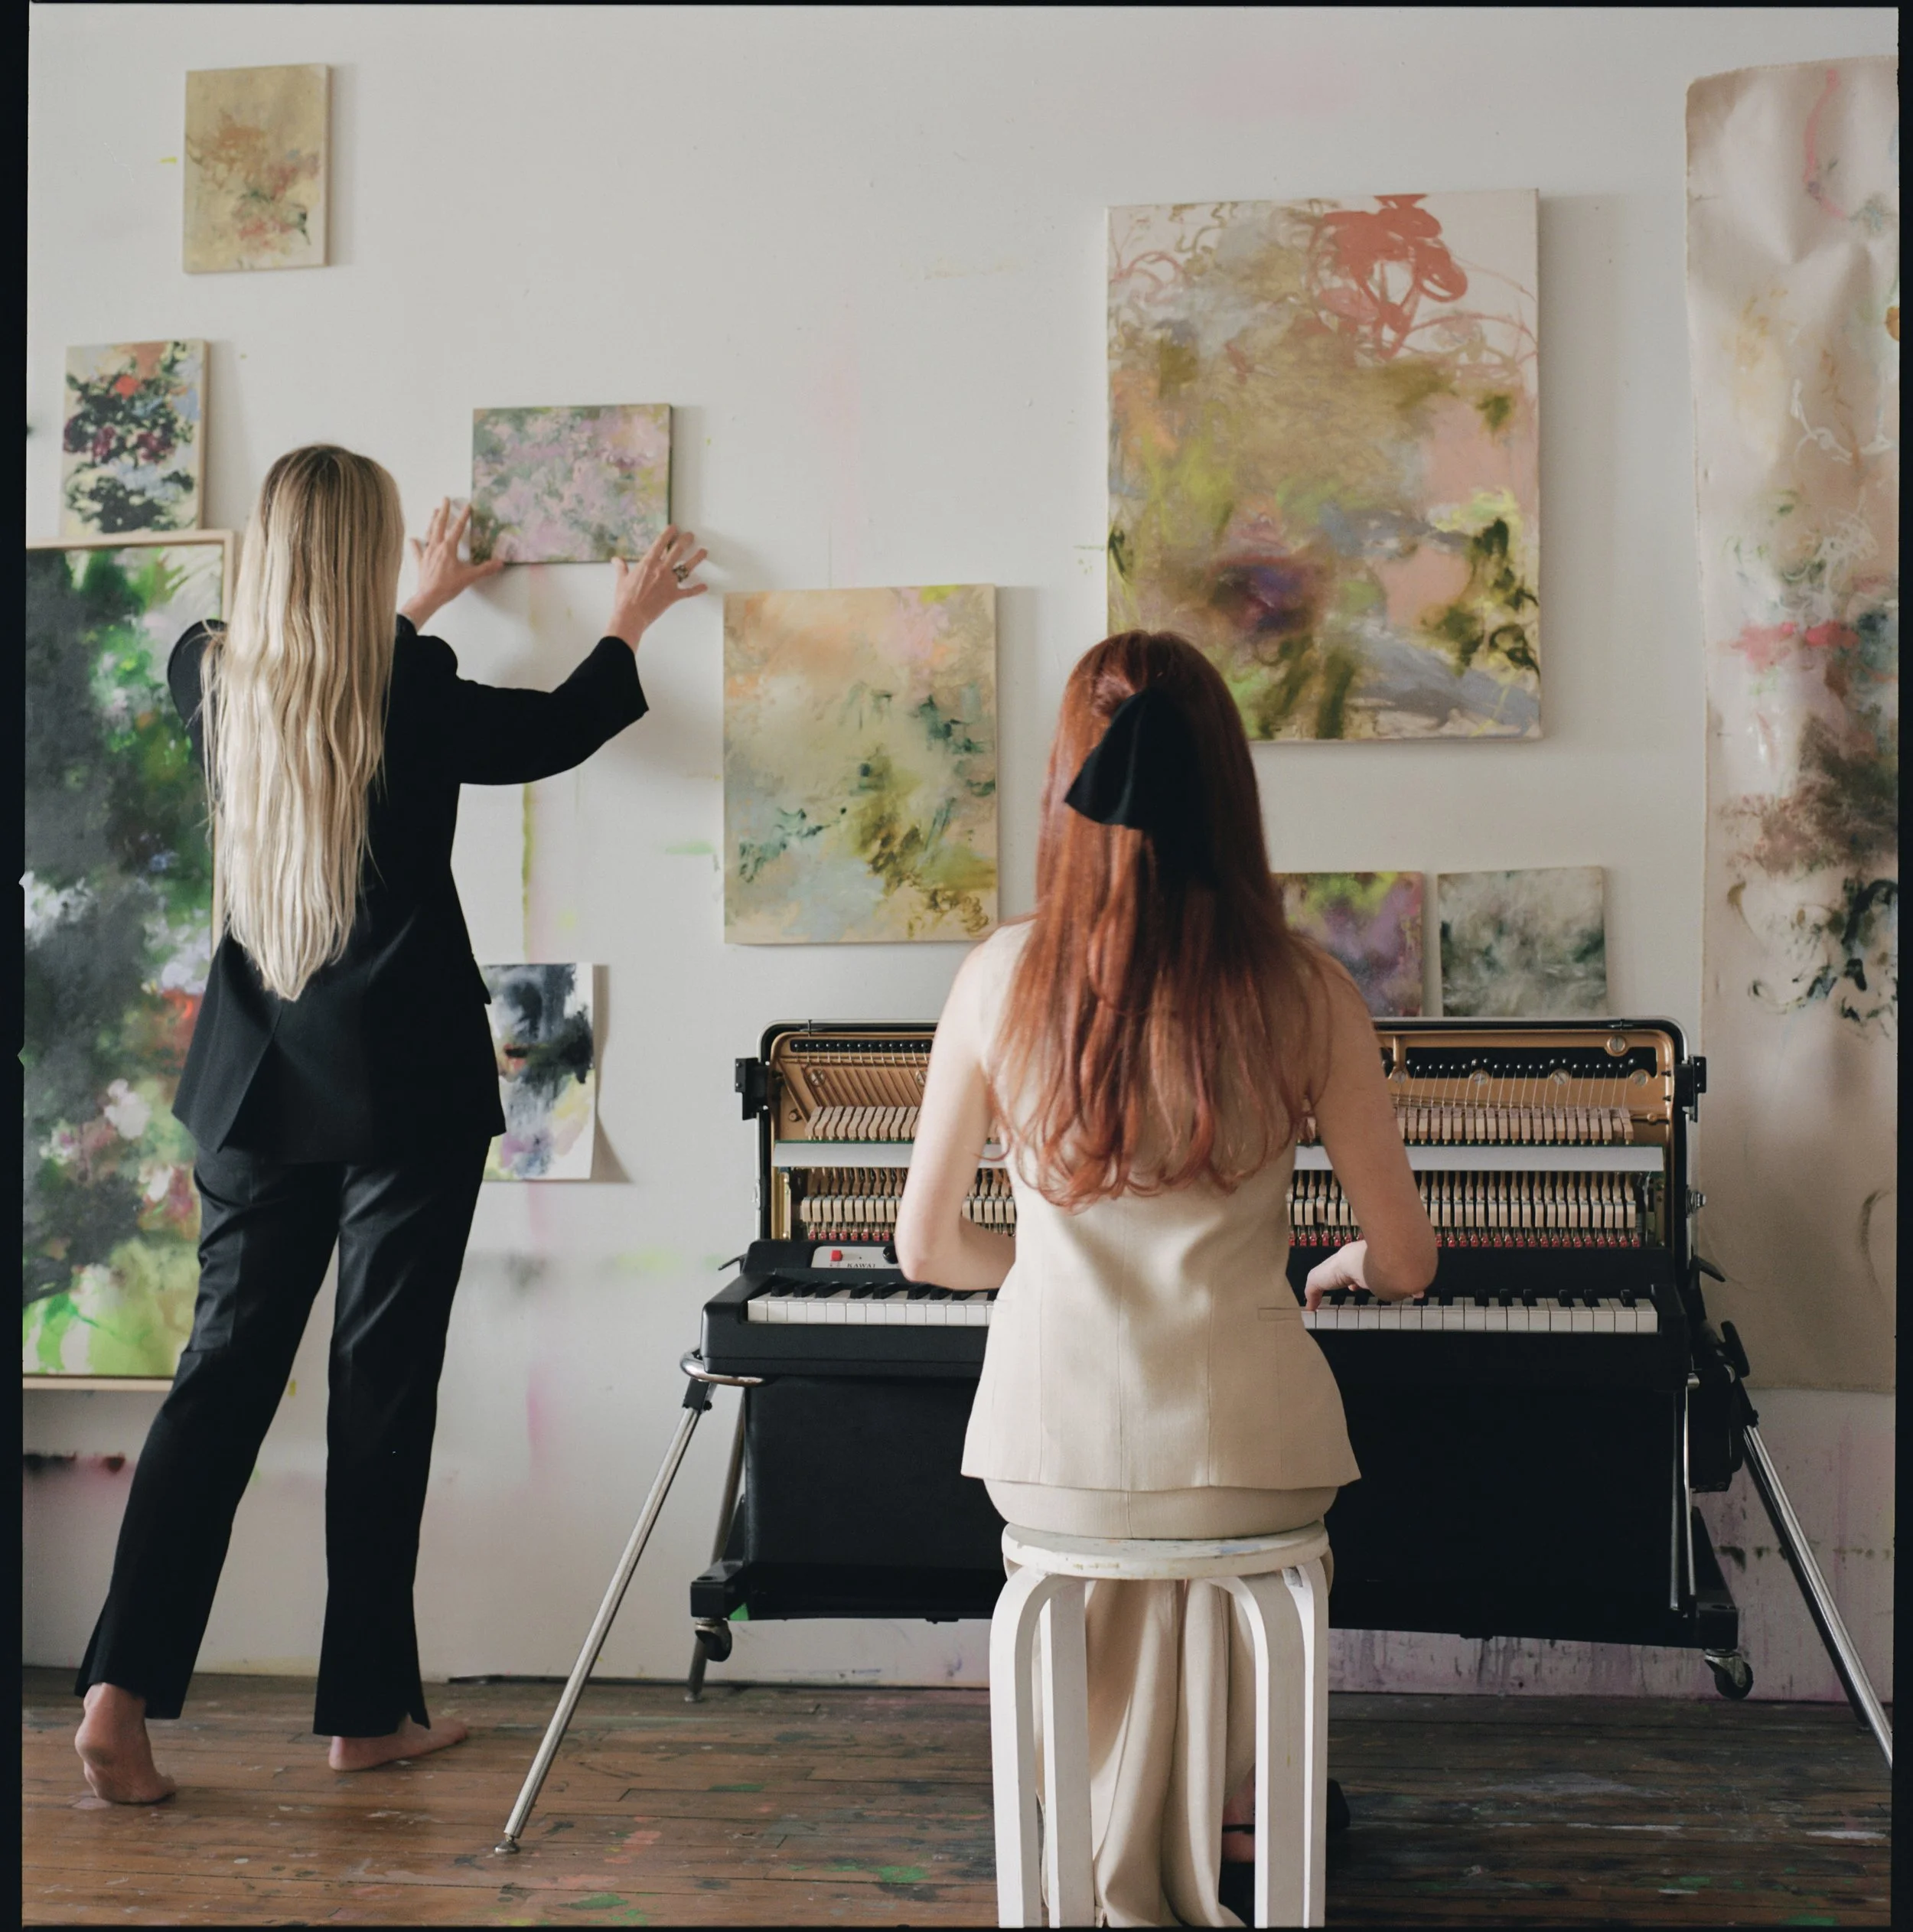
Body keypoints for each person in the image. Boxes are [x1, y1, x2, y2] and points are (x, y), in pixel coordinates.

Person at [72, 446, 708, 1804]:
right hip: (403, 1082)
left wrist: (420, 604)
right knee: (380, 1393)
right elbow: (549, 732)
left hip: (253, 1081)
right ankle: (365, 1715)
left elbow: (318, 684)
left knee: (221, 1377)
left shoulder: (205, 673)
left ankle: (116, 1695)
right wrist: (628, 621)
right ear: (366, 558)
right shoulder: (408, 689)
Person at [895, 630, 1437, 1927]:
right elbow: (1408, 1260)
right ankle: (1225, 1826)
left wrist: (1041, 1266)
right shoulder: (1309, 991)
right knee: (1233, 1557)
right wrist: (1347, 1263)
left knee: (1111, 1553)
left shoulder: (996, 978)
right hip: (1250, 1445)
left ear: (1065, 781)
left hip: (1052, 1448)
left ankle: (1116, 1847)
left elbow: (925, 1248)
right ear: (1227, 787)